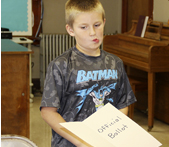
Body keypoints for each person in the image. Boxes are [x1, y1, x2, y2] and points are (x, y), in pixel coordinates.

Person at [40, 0, 136, 146]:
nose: (92, 32)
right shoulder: (61, 65)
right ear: (71, 30)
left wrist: (112, 133)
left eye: (97, 25)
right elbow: (48, 112)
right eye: (83, 27)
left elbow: (123, 104)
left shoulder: (115, 63)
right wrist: (80, 142)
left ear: (104, 22)